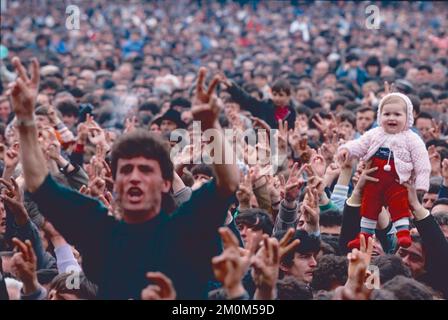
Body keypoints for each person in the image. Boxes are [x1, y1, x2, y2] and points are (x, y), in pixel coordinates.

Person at [8, 59, 239, 299]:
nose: (135, 178)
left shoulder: (187, 227)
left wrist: (210, 124)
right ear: (116, 182)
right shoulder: (97, 229)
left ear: (166, 183)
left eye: (146, 170)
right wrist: (25, 120)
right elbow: (39, 185)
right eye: (126, 170)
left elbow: (228, 182)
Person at [337, 92, 431, 249]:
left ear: (407, 117)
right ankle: (365, 235)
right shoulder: (375, 133)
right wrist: (346, 149)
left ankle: (402, 233)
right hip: (373, 178)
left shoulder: (412, 138)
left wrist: (421, 185)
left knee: (399, 204)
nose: (391, 118)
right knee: (368, 205)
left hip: (398, 180)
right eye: (387, 114)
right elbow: (359, 144)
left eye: (397, 114)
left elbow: (422, 163)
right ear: (380, 116)